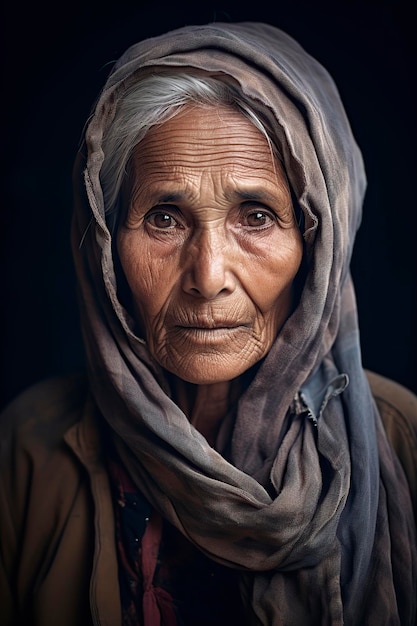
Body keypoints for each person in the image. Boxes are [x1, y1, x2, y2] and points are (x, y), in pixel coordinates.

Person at [0, 20, 416, 626]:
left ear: (318, 246)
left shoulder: (404, 443)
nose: (209, 275)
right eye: (164, 218)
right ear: (107, 246)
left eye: (256, 216)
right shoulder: (28, 452)